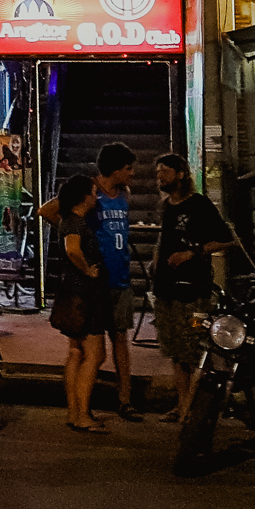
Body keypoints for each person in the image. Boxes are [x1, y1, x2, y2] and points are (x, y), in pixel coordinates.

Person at [153, 154, 235, 424]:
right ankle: (181, 405)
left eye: (165, 171)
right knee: (176, 351)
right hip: (166, 287)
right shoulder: (166, 206)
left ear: (180, 174)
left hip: (192, 289)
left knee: (195, 350)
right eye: (157, 172)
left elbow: (226, 239)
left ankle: (198, 407)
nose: (160, 177)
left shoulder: (198, 204)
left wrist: (192, 253)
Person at [51, 174, 113, 434]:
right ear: (84, 197)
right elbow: (73, 250)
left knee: (76, 352)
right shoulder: (75, 222)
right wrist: (88, 270)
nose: (96, 197)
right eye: (93, 192)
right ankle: (83, 415)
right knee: (95, 354)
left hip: (73, 294)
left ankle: (74, 411)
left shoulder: (68, 220)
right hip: (85, 297)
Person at [91, 143, 141, 422]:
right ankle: (84, 401)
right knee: (92, 345)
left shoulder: (124, 194)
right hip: (97, 281)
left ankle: (125, 399)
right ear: (115, 169)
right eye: (128, 168)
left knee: (120, 339)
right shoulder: (89, 191)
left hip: (120, 277)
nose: (132, 173)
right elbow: (49, 211)